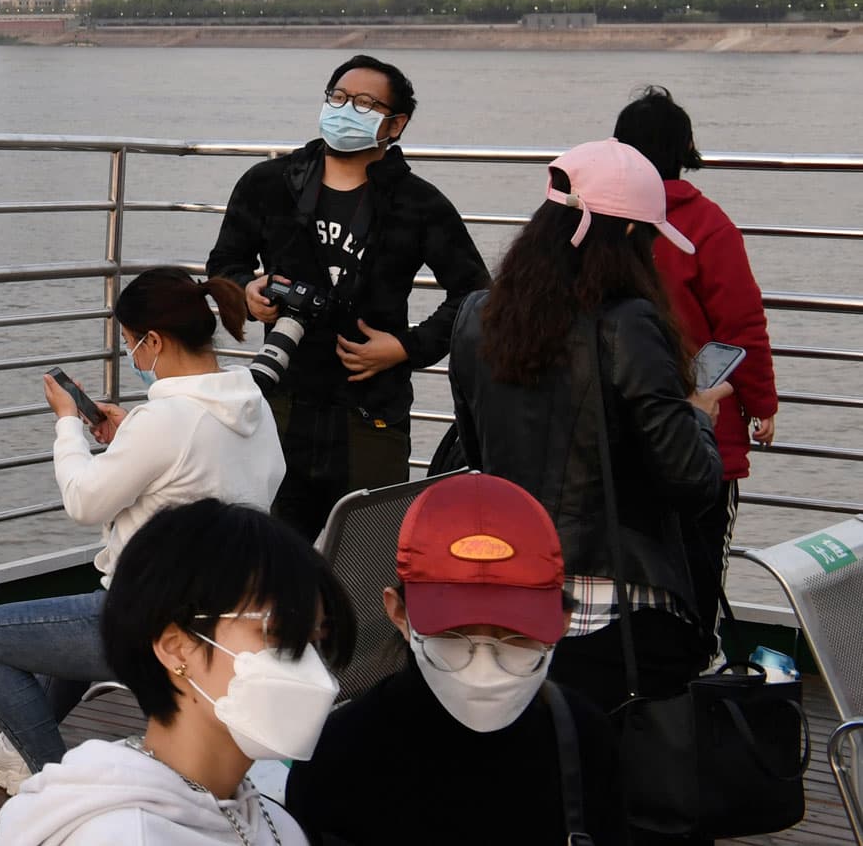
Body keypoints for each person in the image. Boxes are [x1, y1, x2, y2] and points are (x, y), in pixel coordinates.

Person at [0, 269, 287, 793]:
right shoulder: (251, 405)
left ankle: (56, 780)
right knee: (73, 618)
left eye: (132, 345)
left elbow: (84, 501)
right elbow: (203, 474)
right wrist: (129, 435)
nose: (134, 358)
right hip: (231, 615)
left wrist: (68, 423)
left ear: (155, 341)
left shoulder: (167, 421)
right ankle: (16, 750)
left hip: (157, 625)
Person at [446, 139, 724, 721]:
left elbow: (475, 450)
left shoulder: (478, 314)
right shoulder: (630, 325)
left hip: (505, 587)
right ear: (628, 237)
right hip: (610, 610)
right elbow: (692, 480)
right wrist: (698, 414)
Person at [206, 54, 490, 539]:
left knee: (368, 555)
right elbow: (225, 264)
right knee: (275, 551)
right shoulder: (269, 183)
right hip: (281, 400)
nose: (345, 109)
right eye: (337, 98)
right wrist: (246, 291)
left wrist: (406, 348)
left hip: (371, 408)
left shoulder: (419, 203)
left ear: (395, 124)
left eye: (363, 103)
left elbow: (475, 294)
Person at [284, 473, 627, 846]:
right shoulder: (338, 759)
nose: (483, 666)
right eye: (453, 634)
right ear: (399, 614)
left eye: (514, 636)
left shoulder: (583, 741)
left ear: (561, 623)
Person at [0, 498, 353, 846]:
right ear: (176, 646)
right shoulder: (125, 835)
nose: (310, 668)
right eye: (277, 634)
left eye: (315, 640)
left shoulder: (270, 820)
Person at [615, 85, 777, 640]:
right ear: (684, 148)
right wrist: (760, 405)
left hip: (612, 428)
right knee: (697, 563)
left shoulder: (591, 223)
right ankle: (686, 678)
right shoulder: (707, 225)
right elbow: (740, 328)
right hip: (695, 428)